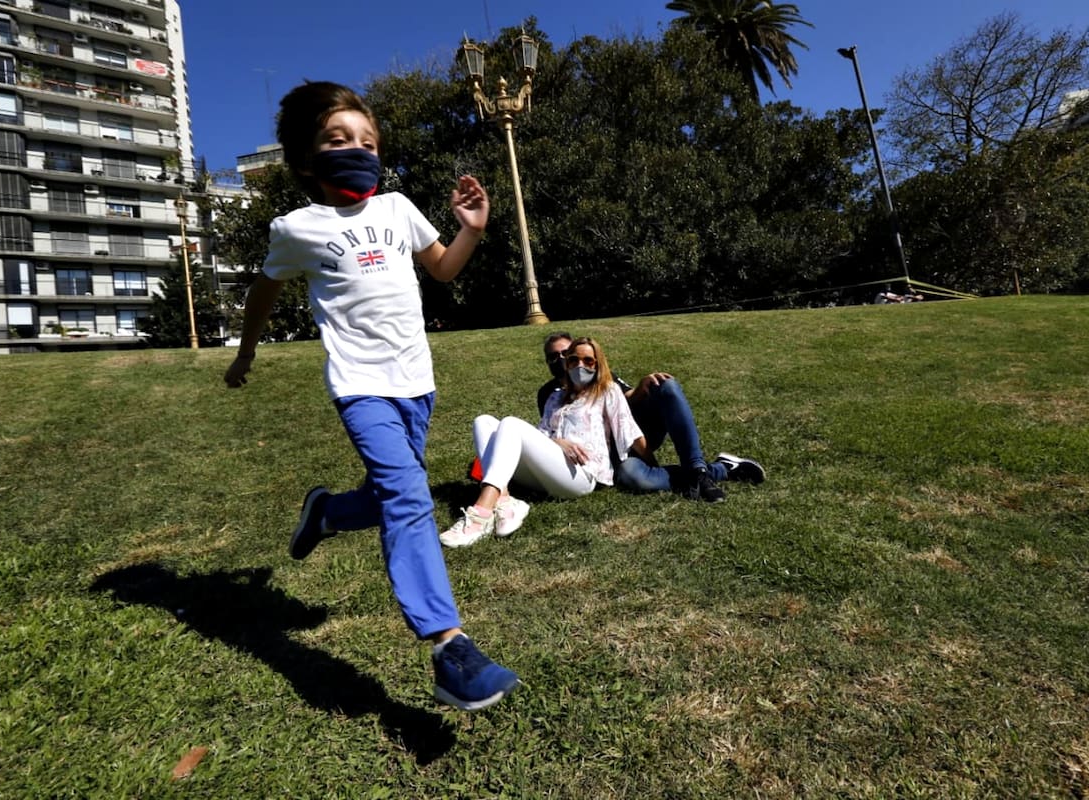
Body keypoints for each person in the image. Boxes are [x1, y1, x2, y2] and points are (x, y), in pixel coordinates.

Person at [222, 81, 517, 712]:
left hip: (417, 384)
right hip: (361, 389)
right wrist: (245, 354)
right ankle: (449, 648)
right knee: (409, 497)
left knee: (389, 497)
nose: (357, 149)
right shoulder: (299, 227)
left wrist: (472, 230)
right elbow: (264, 294)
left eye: (368, 141)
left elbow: (442, 268)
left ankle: (326, 513)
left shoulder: (399, 208)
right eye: (338, 139)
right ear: (306, 160)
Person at [441, 336, 646, 548]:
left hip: (581, 474)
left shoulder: (607, 390)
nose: (580, 365)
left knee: (511, 423)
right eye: (574, 360)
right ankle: (504, 502)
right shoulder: (555, 397)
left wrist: (652, 464)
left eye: (588, 361)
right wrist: (558, 441)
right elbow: (540, 435)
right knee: (483, 421)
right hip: (549, 471)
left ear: (598, 363)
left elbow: (629, 431)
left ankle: (481, 513)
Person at [537, 332, 765, 503]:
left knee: (666, 386)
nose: (563, 360)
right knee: (632, 476)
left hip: (628, 435)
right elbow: (554, 435)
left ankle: (697, 469)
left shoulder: (605, 383)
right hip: (603, 460)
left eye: (565, 353)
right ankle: (719, 469)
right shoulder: (550, 396)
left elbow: (623, 411)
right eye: (553, 357)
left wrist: (641, 387)